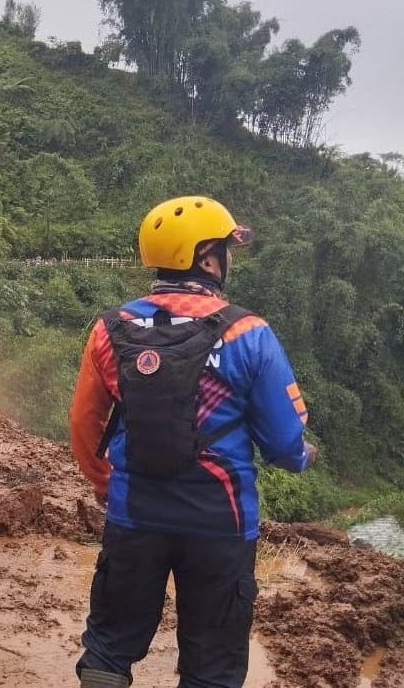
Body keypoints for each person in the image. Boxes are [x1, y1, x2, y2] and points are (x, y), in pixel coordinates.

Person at [69, 196, 318, 688]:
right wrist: (301, 456)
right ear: (206, 258)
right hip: (220, 523)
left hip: (134, 512)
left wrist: (105, 484)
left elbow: (84, 423)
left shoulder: (110, 328)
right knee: (212, 665)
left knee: (108, 647)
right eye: (225, 247)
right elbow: (285, 441)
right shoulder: (249, 331)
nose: (228, 257)